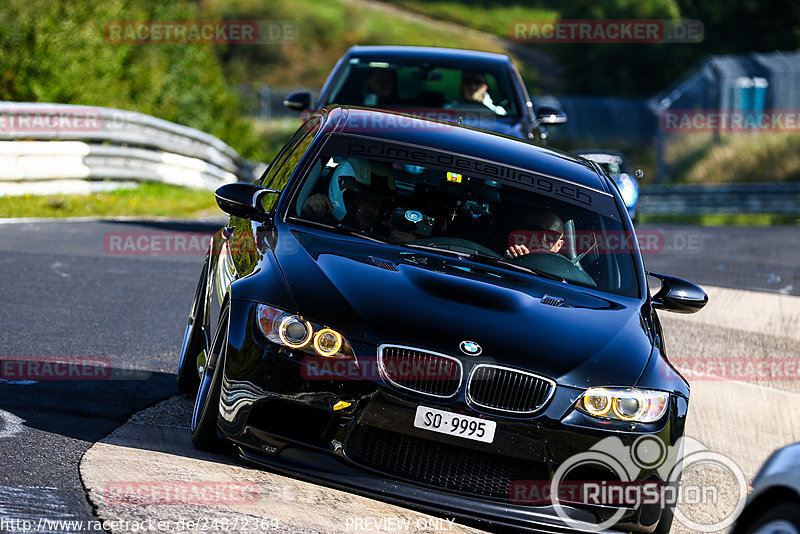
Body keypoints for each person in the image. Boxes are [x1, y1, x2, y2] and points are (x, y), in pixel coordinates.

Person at [302, 158, 414, 241]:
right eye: (364, 200)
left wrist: (413, 245)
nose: (370, 209)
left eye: (377, 203)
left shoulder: (388, 236)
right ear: (346, 198)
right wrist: (305, 208)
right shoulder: (317, 221)